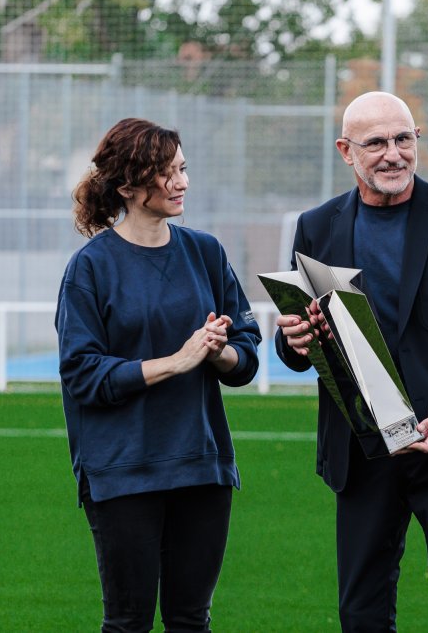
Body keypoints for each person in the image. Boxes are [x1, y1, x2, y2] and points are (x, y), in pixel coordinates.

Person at [274, 91, 428, 632]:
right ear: (346, 151)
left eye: (403, 139)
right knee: (360, 611)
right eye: (376, 142)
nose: (393, 154)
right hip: (363, 454)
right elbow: (305, 344)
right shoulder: (317, 227)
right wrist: (290, 341)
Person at [56, 118, 260, 632]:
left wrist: (218, 354)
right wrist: (176, 360)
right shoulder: (91, 268)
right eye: (164, 173)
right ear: (126, 185)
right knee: (128, 623)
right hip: (123, 472)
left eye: (183, 169)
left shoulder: (206, 252)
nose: (180, 182)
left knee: (191, 620)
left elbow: (246, 353)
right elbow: (82, 374)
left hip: (201, 466)